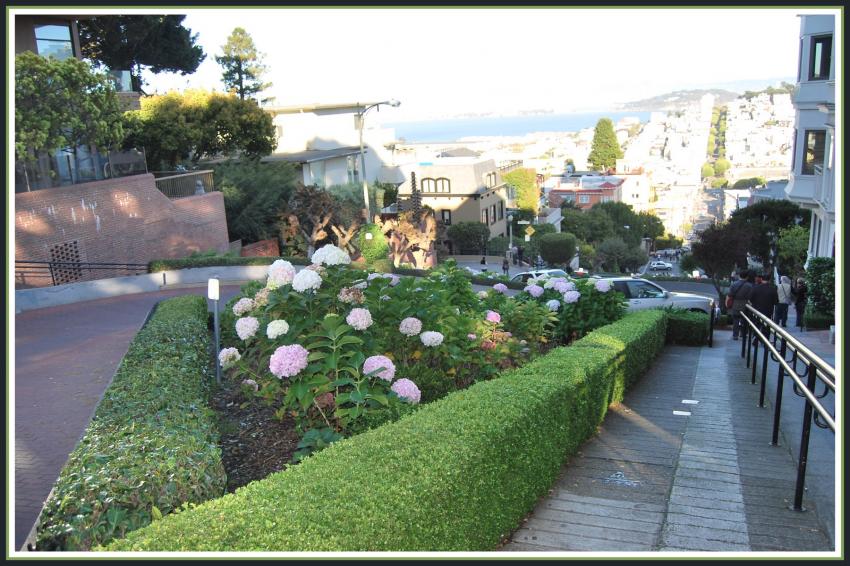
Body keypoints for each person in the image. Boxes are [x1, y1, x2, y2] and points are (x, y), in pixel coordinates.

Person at [727, 269, 755, 341]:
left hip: (735, 303)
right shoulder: (750, 286)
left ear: (739, 275)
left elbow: (730, 294)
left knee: (735, 320)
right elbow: (751, 296)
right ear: (747, 277)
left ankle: (735, 335)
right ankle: (743, 333)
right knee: (744, 320)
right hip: (745, 304)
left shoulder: (734, 284)